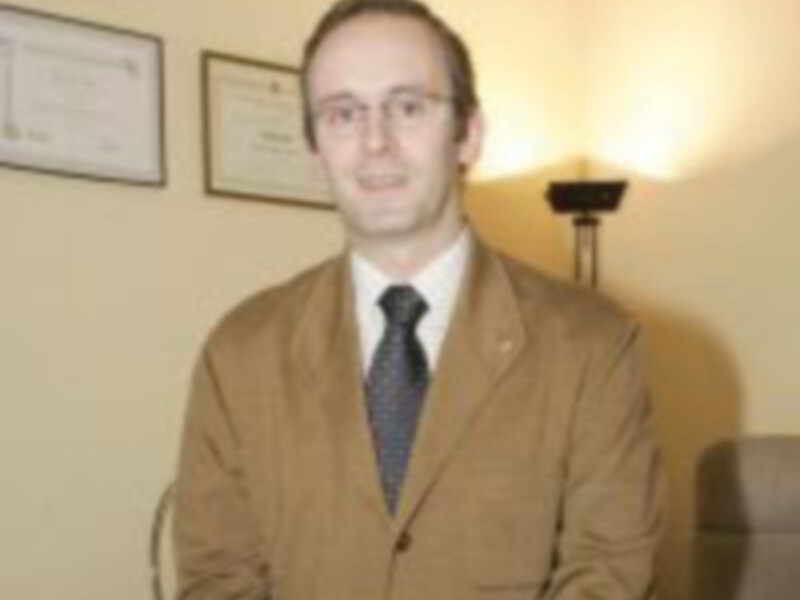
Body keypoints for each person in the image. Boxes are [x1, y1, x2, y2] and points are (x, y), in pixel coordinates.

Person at [172, 1, 665, 598]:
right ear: (315, 152)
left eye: (407, 107)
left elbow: (609, 572)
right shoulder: (239, 351)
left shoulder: (592, 344)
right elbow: (217, 576)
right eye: (343, 114)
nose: (375, 142)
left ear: (468, 135)